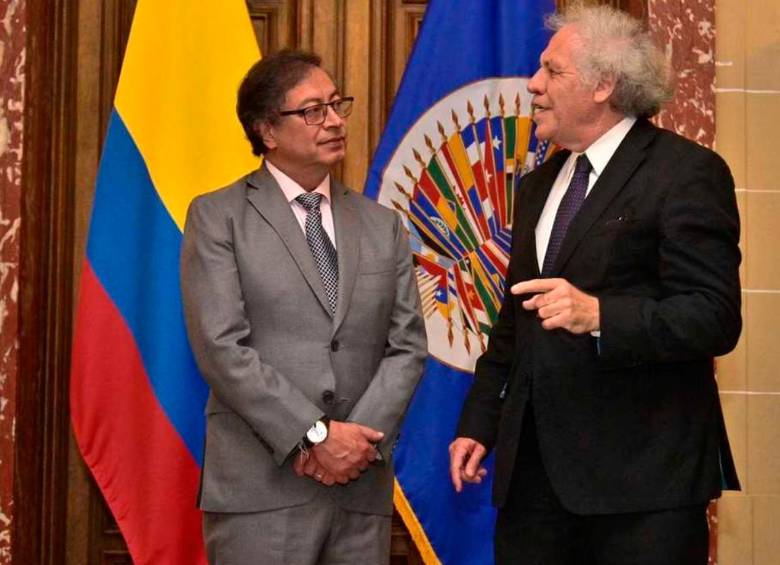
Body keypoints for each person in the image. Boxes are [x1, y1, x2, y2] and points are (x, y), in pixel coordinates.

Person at [449, 5, 741, 564]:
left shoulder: (685, 173)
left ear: (603, 84)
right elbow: (515, 322)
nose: (533, 85)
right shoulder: (538, 184)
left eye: (552, 72)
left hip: (641, 490)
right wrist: (479, 423)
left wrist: (601, 315)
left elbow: (713, 316)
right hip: (533, 487)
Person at [181, 49, 427, 564]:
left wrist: (354, 446)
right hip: (261, 493)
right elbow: (221, 348)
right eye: (313, 110)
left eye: (337, 105)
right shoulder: (218, 217)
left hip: (360, 489)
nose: (335, 121)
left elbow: (407, 347)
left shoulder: (383, 227)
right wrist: (313, 436)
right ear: (267, 131)